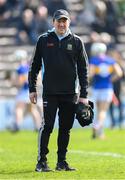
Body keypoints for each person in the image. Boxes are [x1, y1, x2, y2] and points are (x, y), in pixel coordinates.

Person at [28, 9, 89, 172]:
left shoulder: (77, 41)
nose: (62, 24)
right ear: (53, 22)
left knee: (65, 128)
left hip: (70, 92)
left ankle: (61, 162)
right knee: (47, 126)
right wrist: (32, 88)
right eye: (58, 21)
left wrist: (84, 95)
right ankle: (41, 162)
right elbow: (34, 66)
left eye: (64, 21)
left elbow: (84, 69)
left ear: (69, 22)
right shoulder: (43, 40)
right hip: (50, 91)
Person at [89, 43, 123, 139]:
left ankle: (100, 133)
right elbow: (119, 73)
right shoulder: (110, 60)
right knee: (103, 111)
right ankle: (97, 126)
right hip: (107, 88)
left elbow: (90, 75)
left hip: (96, 88)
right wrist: (110, 80)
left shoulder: (94, 60)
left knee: (99, 111)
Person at [8, 50, 41, 132]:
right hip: (31, 91)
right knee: (32, 110)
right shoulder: (28, 67)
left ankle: (17, 125)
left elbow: (21, 81)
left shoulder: (21, 68)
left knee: (18, 108)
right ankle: (38, 126)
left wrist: (13, 83)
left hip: (24, 91)